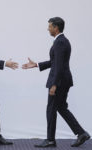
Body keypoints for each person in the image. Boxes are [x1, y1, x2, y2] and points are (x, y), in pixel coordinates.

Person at [22, 17, 90, 148]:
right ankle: (81, 133)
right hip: (63, 80)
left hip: (59, 82)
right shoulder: (61, 41)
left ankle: (50, 140)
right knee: (61, 108)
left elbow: (58, 65)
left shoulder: (59, 42)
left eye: (49, 26)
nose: (48, 28)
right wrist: (36, 64)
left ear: (56, 28)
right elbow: (55, 62)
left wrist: (54, 84)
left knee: (51, 109)